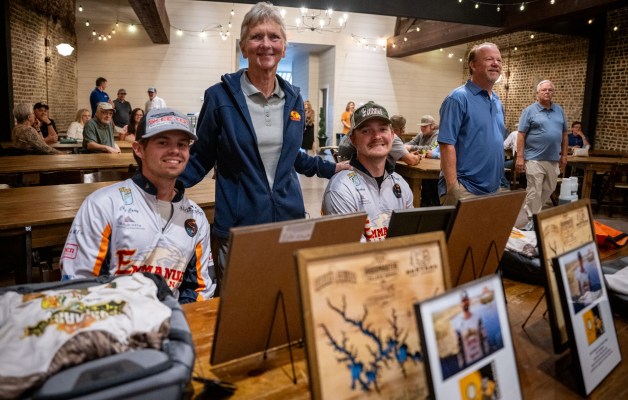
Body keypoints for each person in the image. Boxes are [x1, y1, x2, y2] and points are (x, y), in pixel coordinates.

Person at [179, 2, 349, 292]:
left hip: (289, 221)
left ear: (284, 47)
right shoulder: (219, 97)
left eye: (274, 37)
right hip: (239, 224)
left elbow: (291, 156)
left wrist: (330, 168)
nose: (266, 44)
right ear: (244, 47)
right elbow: (201, 156)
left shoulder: (293, 98)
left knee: (287, 296)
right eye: (257, 36)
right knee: (240, 302)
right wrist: (159, 186)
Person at [60, 107, 215, 303]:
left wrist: (179, 318)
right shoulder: (102, 205)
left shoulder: (196, 217)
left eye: (182, 144)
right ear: (139, 149)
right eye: (163, 142)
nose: (175, 150)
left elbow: (200, 288)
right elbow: (78, 285)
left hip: (172, 318)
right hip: (113, 317)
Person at [322, 101, 413, 241]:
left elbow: (411, 238)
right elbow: (350, 250)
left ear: (392, 136)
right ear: (353, 140)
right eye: (366, 131)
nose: (377, 136)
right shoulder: (341, 189)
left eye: (382, 129)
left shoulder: (401, 184)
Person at [438, 42, 505, 206]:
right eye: (489, 59)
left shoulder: (497, 102)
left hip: (493, 189)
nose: (495, 63)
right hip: (466, 189)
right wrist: (453, 187)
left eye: (499, 60)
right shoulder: (457, 98)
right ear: (473, 65)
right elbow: (446, 144)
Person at [516, 80, 568, 221]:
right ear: (538, 93)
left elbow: (564, 134)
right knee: (534, 190)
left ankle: (532, 210)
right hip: (534, 158)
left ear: (553, 93)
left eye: (550, 90)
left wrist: (564, 155)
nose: (547, 92)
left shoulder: (559, 110)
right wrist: (520, 157)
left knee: (549, 188)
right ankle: (533, 219)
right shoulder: (529, 111)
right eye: (544, 90)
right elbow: (521, 135)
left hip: (553, 158)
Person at [456, 290, 489, 369]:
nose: (465, 303)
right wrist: (462, 367)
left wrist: (487, 357)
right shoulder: (458, 325)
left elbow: (484, 339)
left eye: (466, 300)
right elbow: (459, 348)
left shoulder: (477, 319)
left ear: (469, 301)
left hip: (482, 359)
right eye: (463, 301)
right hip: (468, 365)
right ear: (460, 304)